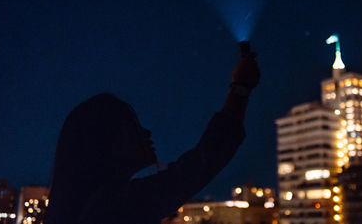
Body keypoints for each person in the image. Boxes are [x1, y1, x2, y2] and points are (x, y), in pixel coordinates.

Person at [45, 50, 260, 224]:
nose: (145, 133)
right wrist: (240, 88)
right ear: (103, 142)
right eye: (132, 126)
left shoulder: (90, 205)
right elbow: (202, 162)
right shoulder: (115, 205)